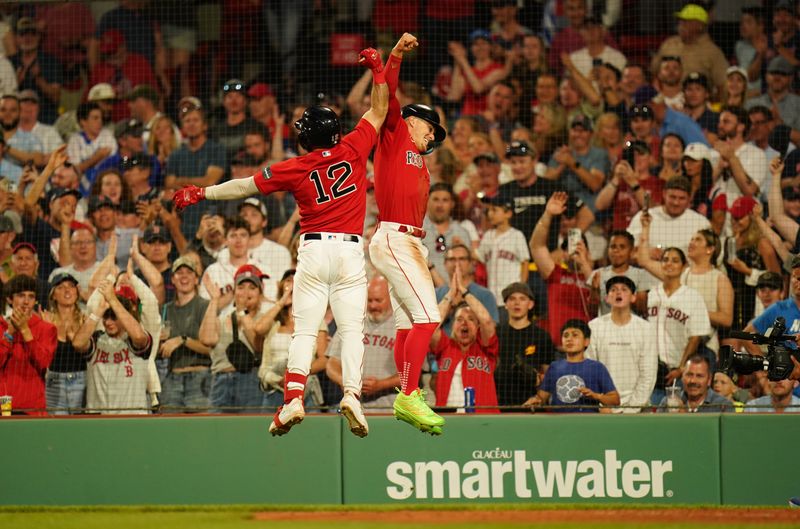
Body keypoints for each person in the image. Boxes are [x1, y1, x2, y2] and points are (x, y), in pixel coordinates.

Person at [175, 42, 390, 437]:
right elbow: (379, 110)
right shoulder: (355, 146)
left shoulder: (295, 166)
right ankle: (353, 397)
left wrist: (201, 193)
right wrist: (379, 71)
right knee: (351, 329)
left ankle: (292, 398)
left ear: (305, 138)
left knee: (305, 329)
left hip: (312, 248)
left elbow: (242, 187)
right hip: (348, 249)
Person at [366, 35, 448, 435]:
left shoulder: (420, 162)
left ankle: (405, 392)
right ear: (413, 120)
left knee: (406, 325)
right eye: (430, 128)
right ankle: (409, 395)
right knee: (429, 318)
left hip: (409, 241)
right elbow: (387, 97)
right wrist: (393, 57)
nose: (432, 137)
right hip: (395, 237)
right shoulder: (395, 134)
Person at [72, 278, 153, 415]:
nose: (108, 322)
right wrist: (99, 310)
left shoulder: (134, 339)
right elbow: (78, 343)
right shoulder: (97, 339)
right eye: (106, 317)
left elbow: (139, 337)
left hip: (132, 417)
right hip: (99, 418)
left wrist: (113, 300)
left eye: (114, 316)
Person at [199, 265, 271, 414]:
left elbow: (258, 346)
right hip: (221, 384)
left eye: (252, 287)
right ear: (234, 291)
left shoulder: (265, 320)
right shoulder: (221, 319)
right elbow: (206, 339)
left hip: (251, 384)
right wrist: (214, 300)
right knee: (216, 433)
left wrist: (242, 311)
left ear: (260, 292)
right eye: (241, 287)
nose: (246, 292)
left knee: (250, 432)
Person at [430, 266, 499, 413]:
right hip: (448, 420)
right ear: (453, 325)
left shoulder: (486, 348)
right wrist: (450, 294)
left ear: (478, 326)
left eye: (471, 319)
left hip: (483, 421)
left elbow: (487, 320)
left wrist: (464, 291)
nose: (464, 323)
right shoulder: (445, 347)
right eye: (459, 319)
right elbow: (430, 325)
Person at [256, 270, 328, 412]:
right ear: (282, 286)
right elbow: (258, 328)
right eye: (289, 280)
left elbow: (323, 359)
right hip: (274, 390)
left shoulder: (315, 319)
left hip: (304, 390)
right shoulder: (274, 320)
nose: (293, 284)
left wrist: (295, 376)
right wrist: (282, 302)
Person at [530, 192, 596, 347]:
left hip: (588, 350)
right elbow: (536, 246)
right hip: (559, 350)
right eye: (568, 248)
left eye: (580, 247)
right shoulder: (556, 274)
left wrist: (583, 263)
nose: (573, 251)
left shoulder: (596, 276)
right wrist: (548, 214)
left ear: (588, 252)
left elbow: (600, 297)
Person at [326, 276, 400, 410]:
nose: (373, 305)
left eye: (378, 300)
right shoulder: (353, 322)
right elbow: (332, 363)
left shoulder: (403, 325)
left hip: (390, 409)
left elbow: (413, 373)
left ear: (390, 298)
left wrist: (381, 385)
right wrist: (345, 381)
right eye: (369, 300)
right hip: (353, 408)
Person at [586, 276, 657, 413]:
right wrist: (602, 403)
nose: (618, 293)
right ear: (607, 298)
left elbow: (648, 374)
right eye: (613, 290)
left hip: (638, 408)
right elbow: (590, 369)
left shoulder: (646, 329)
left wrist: (632, 409)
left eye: (624, 289)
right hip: (604, 407)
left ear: (633, 297)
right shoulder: (595, 326)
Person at [526, 319, 619, 413]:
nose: (569, 339)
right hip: (558, 424)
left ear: (586, 341)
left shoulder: (597, 367)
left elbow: (615, 400)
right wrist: (535, 401)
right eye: (565, 335)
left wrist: (596, 396)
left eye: (575, 335)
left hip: (589, 423)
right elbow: (541, 398)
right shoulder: (554, 367)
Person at [160, 256, 211, 412]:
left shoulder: (205, 306)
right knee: (168, 431)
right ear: (173, 280)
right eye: (179, 272)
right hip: (172, 379)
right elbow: (157, 350)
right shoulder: (164, 310)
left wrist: (183, 340)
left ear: (196, 279)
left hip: (200, 379)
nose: (184, 276)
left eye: (189, 272)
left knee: (202, 431)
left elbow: (211, 350)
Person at [0, 274, 57, 415]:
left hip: (32, 408)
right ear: (9, 299)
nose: (26, 301)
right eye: (21, 295)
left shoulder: (46, 329)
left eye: (31, 296)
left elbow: (44, 362)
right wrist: (9, 333)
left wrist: (25, 331)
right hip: (4, 405)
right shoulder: (1, 327)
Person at [494, 282, 555, 410]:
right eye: (512, 299)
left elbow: (549, 374)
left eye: (522, 299)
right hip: (498, 403)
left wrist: (539, 398)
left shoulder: (541, 336)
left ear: (530, 304)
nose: (517, 303)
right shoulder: (496, 333)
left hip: (531, 404)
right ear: (505, 304)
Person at [650, 4, 728, 99]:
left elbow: (723, 85)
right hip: (664, 101)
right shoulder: (669, 43)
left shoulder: (712, 52)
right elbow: (654, 72)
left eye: (686, 22)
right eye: (680, 21)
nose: (681, 25)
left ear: (700, 26)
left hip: (696, 104)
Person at [626, 176, 710, 256]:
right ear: (664, 194)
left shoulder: (701, 223)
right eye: (672, 197)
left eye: (681, 198)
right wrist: (647, 254)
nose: (676, 203)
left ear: (689, 198)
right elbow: (628, 252)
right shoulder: (644, 217)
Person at [41, 272, 85, 414]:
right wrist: (47, 330)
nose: (67, 290)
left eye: (71, 286)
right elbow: (43, 357)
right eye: (61, 287)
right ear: (53, 295)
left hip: (82, 382)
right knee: (55, 429)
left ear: (77, 292)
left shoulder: (86, 319)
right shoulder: (46, 321)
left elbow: (89, 352)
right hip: (54, 383)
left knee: (80, 430)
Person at [475, 196, 529, 306]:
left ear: (508, 213)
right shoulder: (488, 236)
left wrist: (520, 290)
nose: (490, 214)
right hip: (492, 297)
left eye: (494, 210)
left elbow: (525, 263)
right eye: (489, 210)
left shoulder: (517, 235)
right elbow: (478, 256)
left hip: (511, 298)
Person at [588, 230, 657, 316]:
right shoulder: (598, 274)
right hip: (606, 327)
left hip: (633, 327)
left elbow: (642, 310)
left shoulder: (641, 275)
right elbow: (591, 312)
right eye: (613, 247)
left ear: (631, 252)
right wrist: (594, 290)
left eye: (622, 247)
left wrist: (623, 295)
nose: (616, 250)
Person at [657, 355, 730, 412]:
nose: (693, 381)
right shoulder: (668, 403)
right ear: (682, 377)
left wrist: (684, 417)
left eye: (699, 376)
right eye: (689, 375)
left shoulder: (723, 406)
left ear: (709, 380)